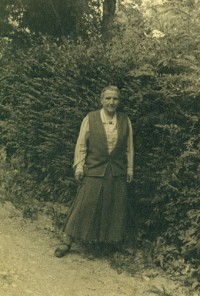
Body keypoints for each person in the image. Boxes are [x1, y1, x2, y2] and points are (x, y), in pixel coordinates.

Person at [54, 85, 134, 258]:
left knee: (114, 205)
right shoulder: (91, 118)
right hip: (95, 168)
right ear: (101, 100)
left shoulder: (125, 119)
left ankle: (106, 243)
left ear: (119, 101)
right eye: (108, 98)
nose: (111, 102)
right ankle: (67, 241)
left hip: (117, 171)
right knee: (84, 203)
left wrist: (129, 168)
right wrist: (79, 166)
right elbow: (81, 144)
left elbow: (129, 147)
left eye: (115, 99)